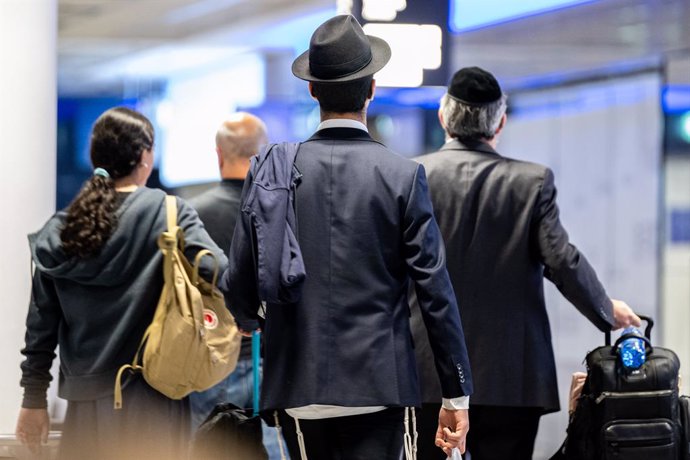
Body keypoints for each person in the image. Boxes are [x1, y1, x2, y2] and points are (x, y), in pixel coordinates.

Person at [220, 15, 473, 460]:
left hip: (298, 385)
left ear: (313, 90)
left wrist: (248, 317)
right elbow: (436, 293)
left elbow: (241, 276)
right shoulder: (402, 177)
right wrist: (456, 395)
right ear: (372, 89)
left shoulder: (273, 170)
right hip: (380, 385)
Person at [411, 66, 642, 460]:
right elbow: (561, 260)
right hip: (512, 379)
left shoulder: (413, 176)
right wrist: (606, 309)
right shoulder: (531, 182)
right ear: (499, 122)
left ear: (442, 117)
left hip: (428, 373)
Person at [15, 107, 226, 460]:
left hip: (83, 409)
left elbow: (40, 326)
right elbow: (217, 269)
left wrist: (33, 399)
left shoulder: (63, 227)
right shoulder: (168, 212)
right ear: (144, 156)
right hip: (155, 398)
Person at [187, 113, 288, 458]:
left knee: (207, 449)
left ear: (218, 154)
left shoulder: (192, 215)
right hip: (272, 360)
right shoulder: (283, 211)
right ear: (264, 154)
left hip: (211, 361)